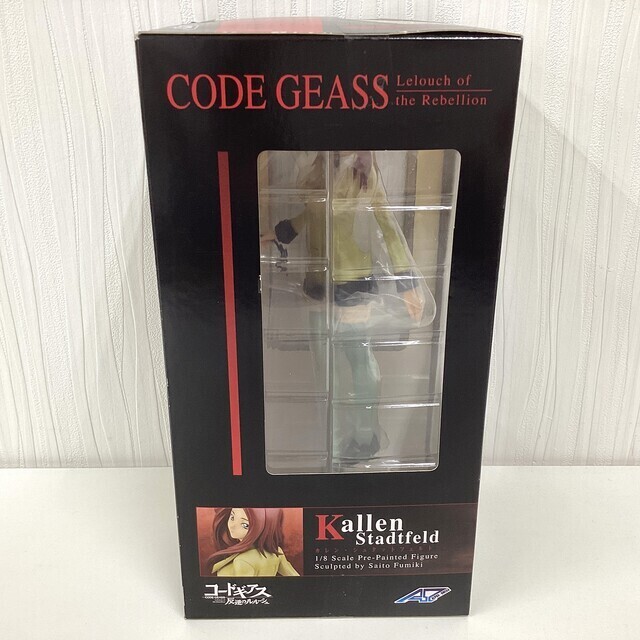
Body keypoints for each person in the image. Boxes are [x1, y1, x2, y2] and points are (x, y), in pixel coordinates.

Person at [261, 151, 431, 463]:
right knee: (324, 366)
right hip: (317, 284)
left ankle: (365, 437)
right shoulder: (318, 176)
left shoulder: (363, 178)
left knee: (358, 357)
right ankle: (335, 441)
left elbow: (388, 227)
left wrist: (407, 283)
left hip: (352, 284)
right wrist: (277, 234)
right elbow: (309, 215)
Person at [207, 507, 300, 576]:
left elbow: (245, 592)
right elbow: (295, 577)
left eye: (245, 525)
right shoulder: (277, 552)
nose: (232, 526)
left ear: (263, 527)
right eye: (232, 517)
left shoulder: (242, 560)